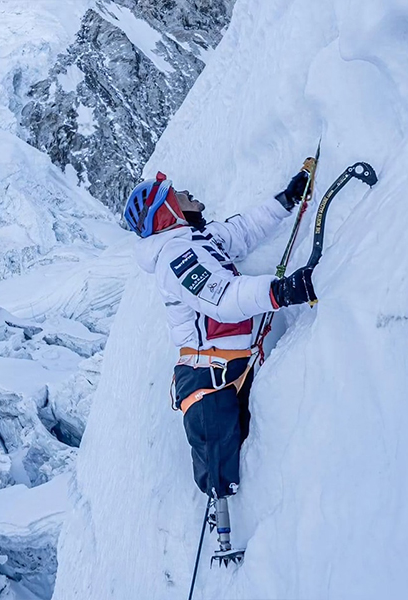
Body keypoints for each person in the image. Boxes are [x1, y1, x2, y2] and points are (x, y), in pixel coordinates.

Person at [124, 159, 318, 565]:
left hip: (224, 367)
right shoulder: (177, 259)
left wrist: (286, 200)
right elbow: (225, 299)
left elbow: (243, 230)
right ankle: (225, 535)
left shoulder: (197, 240)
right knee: (220, 460)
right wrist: (283, 291)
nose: (189, 194)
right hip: (207, 377)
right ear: (167, 212)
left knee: (232, 444)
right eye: (178, 194)